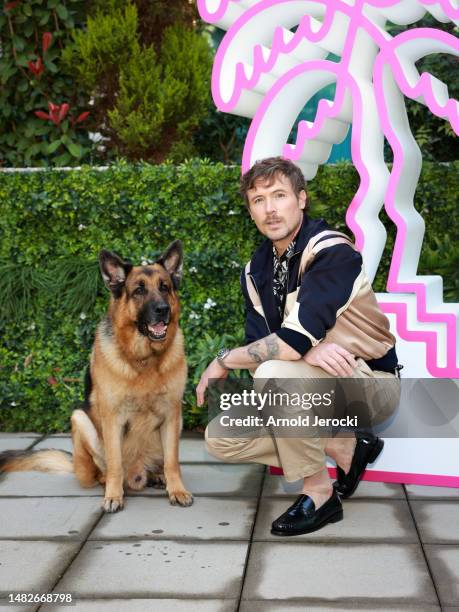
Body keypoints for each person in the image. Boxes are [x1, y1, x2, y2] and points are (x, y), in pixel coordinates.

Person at [196, 156, 401, 536]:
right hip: (306, 382)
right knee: (221, 437)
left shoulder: (331, 251)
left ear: (301, 199)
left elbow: (283, 347)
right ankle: (346, 449)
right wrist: (303, 349)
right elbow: (265, 348)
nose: (270, 209)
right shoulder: (256, 270)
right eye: (258, 200)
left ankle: (320, 493)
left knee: (276, 371)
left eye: (279, 196)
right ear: (251, 211)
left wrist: (223, 360)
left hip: (369, 380)